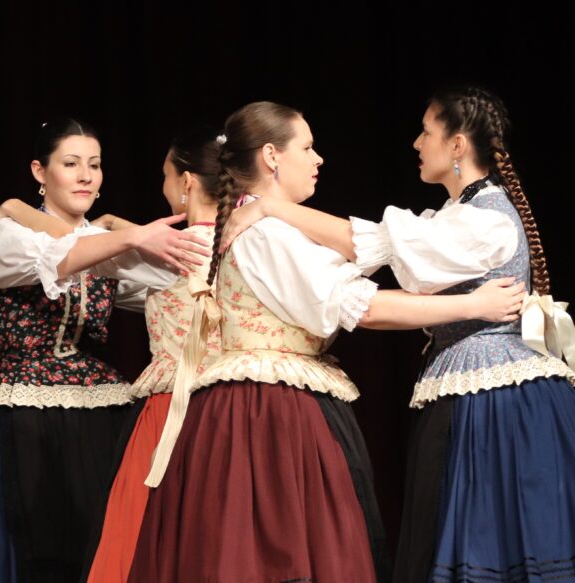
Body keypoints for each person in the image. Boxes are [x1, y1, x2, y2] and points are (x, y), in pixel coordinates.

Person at [126, 101, 525, 583]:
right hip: (266, 414)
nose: (318, 159)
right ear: (272, 156)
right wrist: (472, 305)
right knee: (276, 550)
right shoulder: (265, 233)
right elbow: (364, 307)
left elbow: (364, 253)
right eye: (308, 147)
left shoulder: (268, 223)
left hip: (270, 403)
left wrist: (276, 207)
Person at [222, 88, 575, 583]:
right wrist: (268, 210)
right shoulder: (455, 216)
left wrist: (270, 209)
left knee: (496, 529)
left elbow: (375, 251)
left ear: (456, 145)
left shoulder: (484, 219)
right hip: (468, 386)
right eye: (308, 147)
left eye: (426, 132)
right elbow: (373, 256)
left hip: (497, 397)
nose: (415, 143)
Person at [0, 118, 209, 583]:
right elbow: (54, 256)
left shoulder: (109, 244)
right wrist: (123, 234)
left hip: (95, 411)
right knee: (22, 550)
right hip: (17, 411)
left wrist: (121, 230)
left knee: (94, 546)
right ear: (40, 171)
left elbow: (176, 277)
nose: (86, 176)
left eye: (95, 165)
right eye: (71, 164)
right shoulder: (11, 234)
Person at [83, 125, 223, 583]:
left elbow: (68, 245)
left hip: (173, 411)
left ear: (186, 182)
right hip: (230, 408)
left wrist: (13, 209)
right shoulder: (246, 241)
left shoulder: (167, 254)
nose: (163, 186)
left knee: (152, 537)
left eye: (166, 176)